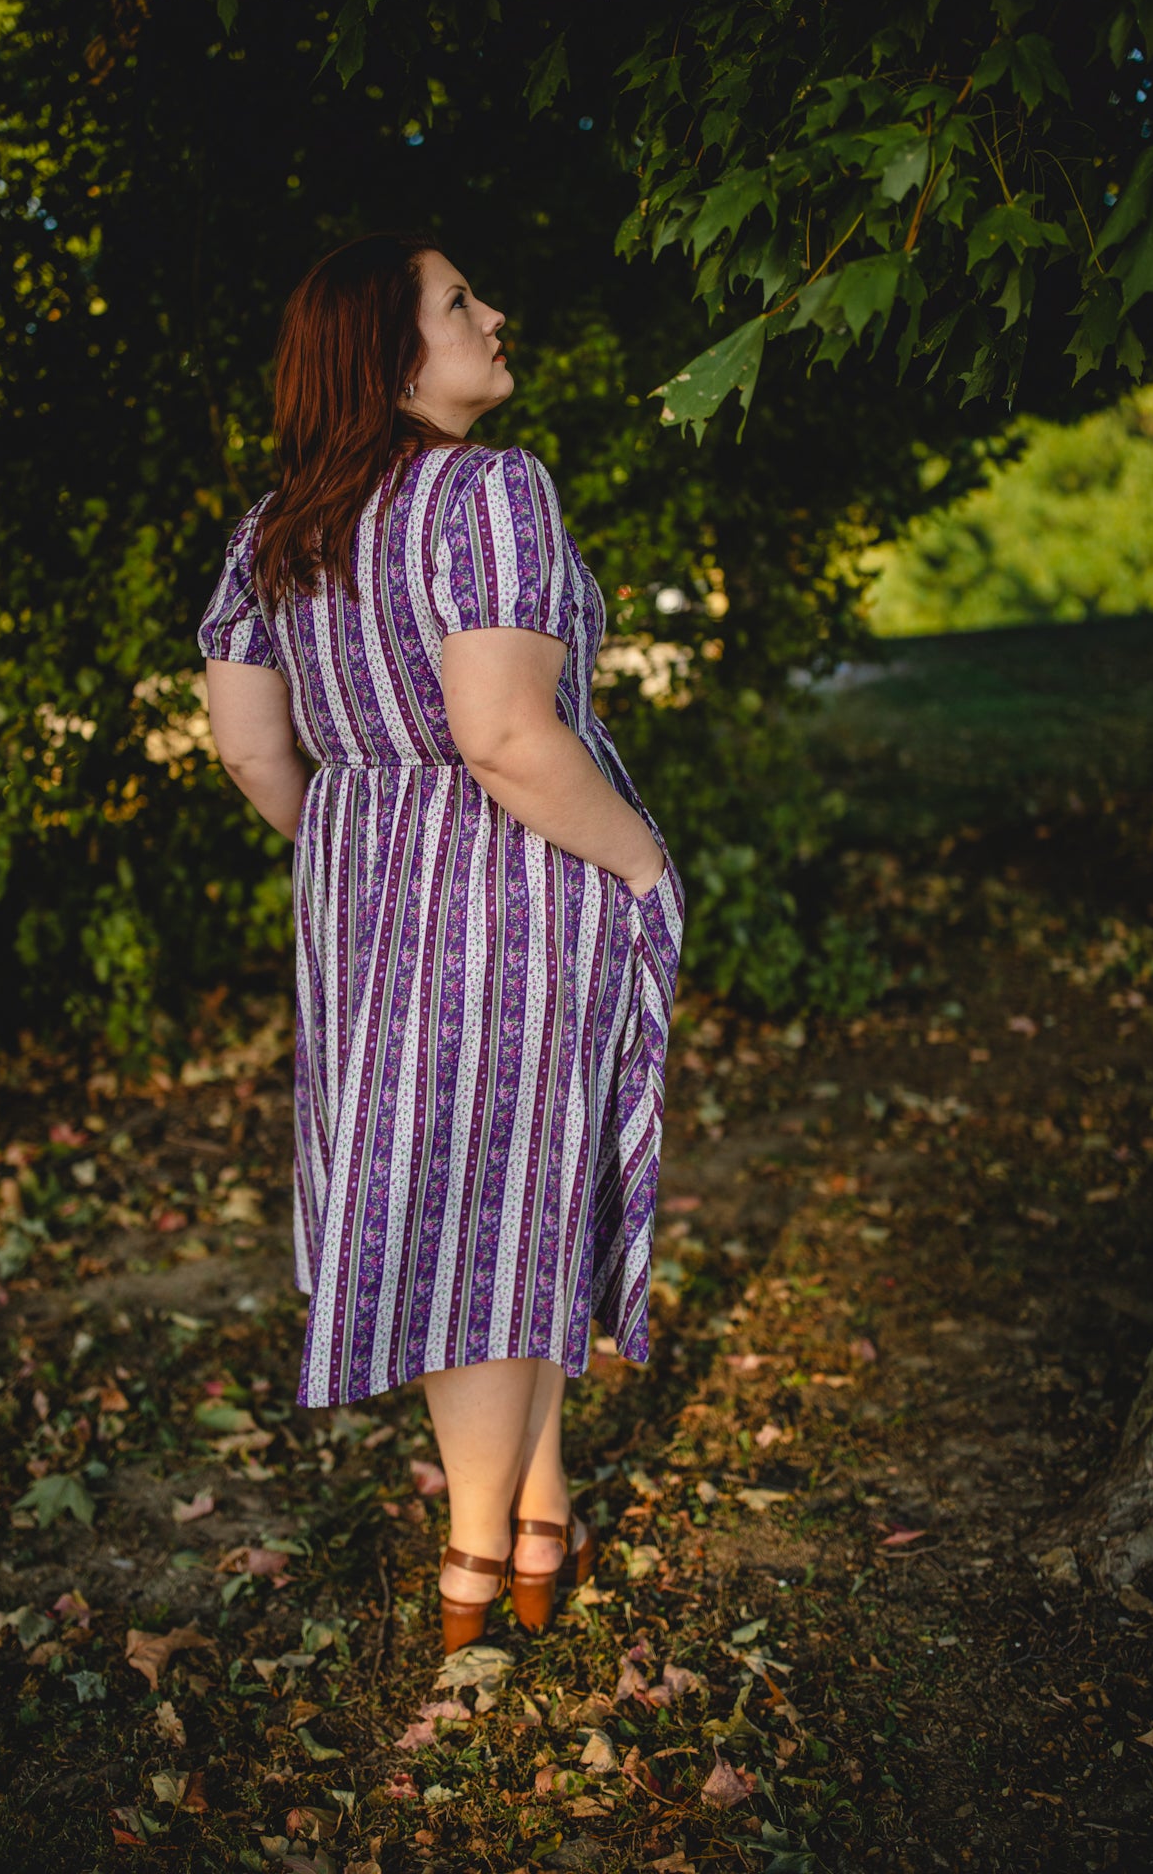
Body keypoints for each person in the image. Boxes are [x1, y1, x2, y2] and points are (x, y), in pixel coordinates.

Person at [197, 230, 684, 1652]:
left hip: (358, 894)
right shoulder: (490, 493)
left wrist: (357, 847)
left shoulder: (273, 524)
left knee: (471, 1204)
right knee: (493, 1216)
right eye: (458, 301)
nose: (493, 313)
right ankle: (477, 1576)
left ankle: (540, 1504)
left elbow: (243, 748)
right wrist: (644, 863)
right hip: (519, 881)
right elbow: (504, 736)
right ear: (388, 353)